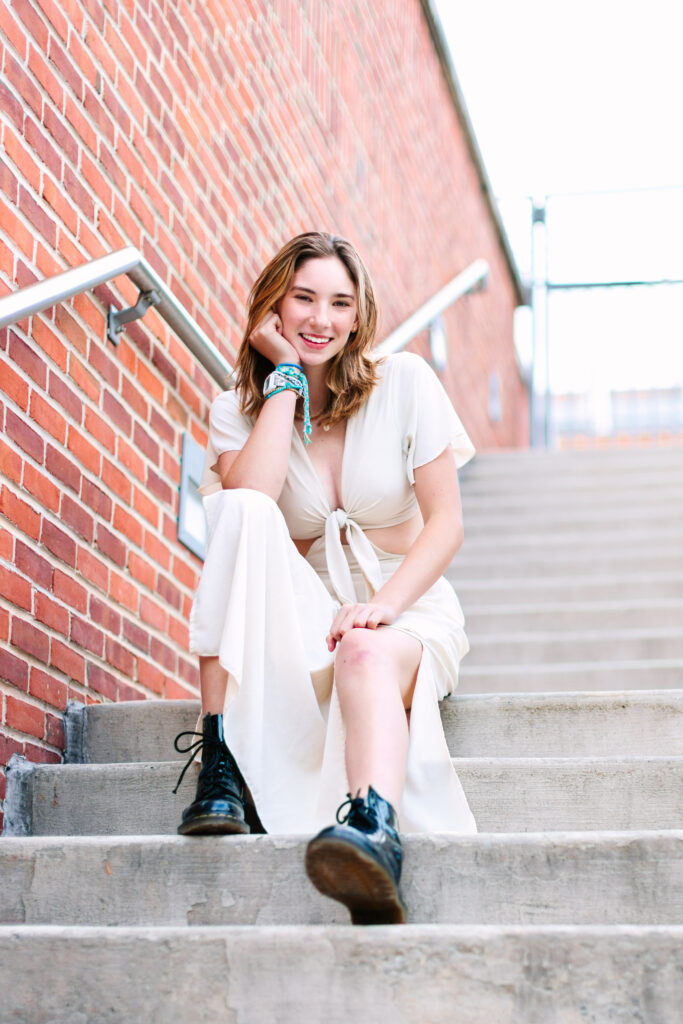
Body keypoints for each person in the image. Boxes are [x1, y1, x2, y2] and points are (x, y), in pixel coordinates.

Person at [173, 231, 477, 925]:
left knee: (365, 651)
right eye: (304, 298)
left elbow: (446, 525)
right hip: (306, 612)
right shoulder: (237, 409)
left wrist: (381, 609)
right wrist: (281, 377)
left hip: (405, 602)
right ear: (273, 304)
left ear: (358, 314)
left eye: (340, 303)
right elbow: (248, 496)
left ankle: (371, 831)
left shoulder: (403, 382)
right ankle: (218, 758)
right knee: (242, 507)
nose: (321, 319)